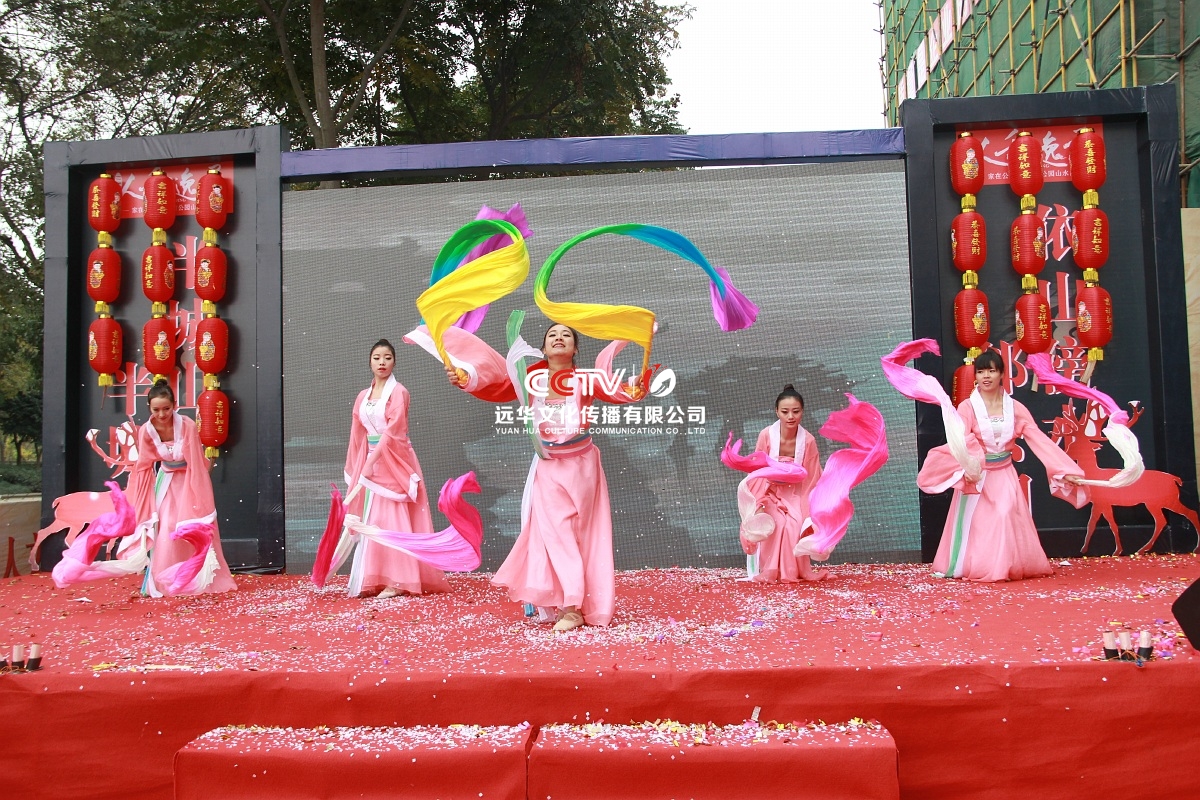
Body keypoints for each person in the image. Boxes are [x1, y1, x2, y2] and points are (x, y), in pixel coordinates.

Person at [436, 322, 639, 631]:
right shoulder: (532, 377)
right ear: (543, 348)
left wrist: (635, 386)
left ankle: (585, 602)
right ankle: (570, 608)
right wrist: (466, 379)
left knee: (583, 535)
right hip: (549, 466)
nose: (559, 338)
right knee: (557, 534)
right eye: (552, 335)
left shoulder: (586, 379)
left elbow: (615, 391)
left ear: (575, 349)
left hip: (582, 467)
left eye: (566, 335)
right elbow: (499, 387)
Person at [919, 350, 1087, 581]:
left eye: (991, 371)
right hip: (977, 476)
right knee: (979, 523)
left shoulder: (1015, 408)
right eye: (981, 371)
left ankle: (1003, 566)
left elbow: (1039, 440)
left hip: (1004, 473)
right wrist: (970, 465)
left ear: (1001, 374)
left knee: (1004, 512)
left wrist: (1064, 470)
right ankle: (981, 566)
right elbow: (960, 440)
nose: (986, 376)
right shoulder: (968, 407)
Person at [342, 339, 449, 598]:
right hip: (370, 460)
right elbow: (357, 434)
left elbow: (393, 432)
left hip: (394, 459)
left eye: (387, 358)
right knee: (374, 518)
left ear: (394, 362)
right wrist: (357, 466)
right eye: (377, 357)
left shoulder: (399, 392)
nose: (382, 362)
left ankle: (400, 579)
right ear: (370, 362)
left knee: (393, 517)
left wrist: (371, 463)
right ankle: (374, 577)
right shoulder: (362, 396)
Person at [123, 379, 236, 596]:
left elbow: (195, 462)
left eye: (166, 409)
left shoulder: (187, 425)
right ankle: (163, 580)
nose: (162, 414)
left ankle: (200, 579)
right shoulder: (146, 431)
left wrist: (200, 494)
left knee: (190, 527)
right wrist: (141, 499)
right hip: (166, 480)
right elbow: (144, 465)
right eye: (156, 410)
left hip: (189, 479)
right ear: (149, 408)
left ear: (174, 405)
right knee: (166, 527)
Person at [744, 384, 827, 582]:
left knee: (795, 524)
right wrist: (759, 501)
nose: (791, 416)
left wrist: (809, 508)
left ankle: (794, 571)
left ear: (802, 412)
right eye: (785, 411)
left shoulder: (808, 440)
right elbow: (757, 470)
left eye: (796, 411)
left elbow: (812, 477)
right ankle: (770, 570)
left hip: (796, 493)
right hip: (768, 491)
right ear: (776, 412)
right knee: (775, 522)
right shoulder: (766, 435)